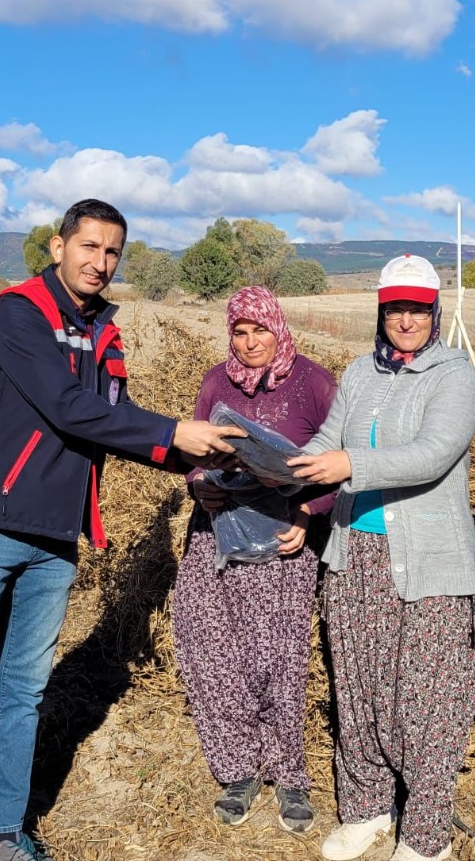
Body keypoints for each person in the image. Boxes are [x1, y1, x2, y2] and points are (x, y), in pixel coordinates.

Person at [0, 199, 244, 861]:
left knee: (22, 695)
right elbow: (68, 409)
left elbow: (113, 415)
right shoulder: (20, 311)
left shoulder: (103, 331)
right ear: (57, 245)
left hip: (54, 539)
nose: (100, 262)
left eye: (111, 253)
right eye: (89, 246)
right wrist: (172, 431)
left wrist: (193, 453)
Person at [290, 254, 475, 861]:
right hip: (356, 553)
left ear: (434, 311)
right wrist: (289, 467)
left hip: (429, 562)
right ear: (382, 311)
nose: (405, 320)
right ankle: (369, 808)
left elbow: (432, 453)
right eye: (395, 308)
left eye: (416, 309)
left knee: (425, 700)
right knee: (359, 689)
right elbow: (331, 439)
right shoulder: (358, 371)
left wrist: (351, 466)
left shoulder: (454, 377)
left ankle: (426, 837)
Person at [171, 286, 338, 833]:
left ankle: (288, 774)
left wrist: (310, 511)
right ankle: (238, 769)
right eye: (238, 333)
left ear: (279, 329)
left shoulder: (313, 382)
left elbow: (341, 460)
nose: (248, 343)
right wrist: (200, 485)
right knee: (215, 652)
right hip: (218, 531)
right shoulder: (216, 381)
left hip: (285, 535)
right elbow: (194, 450)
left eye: (259, 331)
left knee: (279, 661)